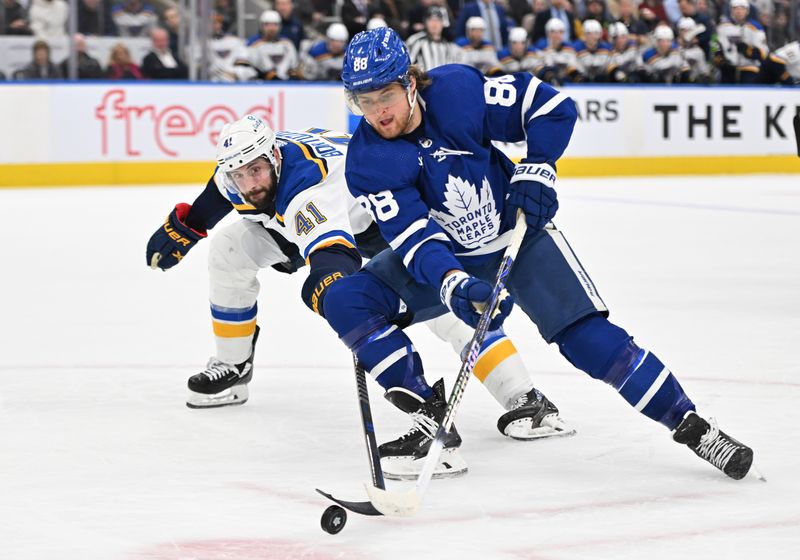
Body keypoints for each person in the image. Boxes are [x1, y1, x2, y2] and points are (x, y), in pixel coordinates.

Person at [321, 26, 754, 483]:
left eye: (385, 94)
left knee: (589, 341)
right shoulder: (368, 161)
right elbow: (415, 240)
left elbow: (550, 107)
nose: (377, 112)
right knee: (348, 300)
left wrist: (539, 166)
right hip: (449, 258)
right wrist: (452, 284)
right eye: (363, 101)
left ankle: (694, 427)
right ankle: (431, 424)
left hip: (518, 239)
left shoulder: (458, 92)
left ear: (410, 81)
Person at [145, 116, 573, 476]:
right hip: (315, 226)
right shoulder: (244, 171)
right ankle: (234, 367)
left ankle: (525, 399)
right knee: (228, 249)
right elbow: (220, 191)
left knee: (441, 308)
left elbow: (335, 259)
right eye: (240, 174)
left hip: (383, 220)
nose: (249, 182)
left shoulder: (306, 190)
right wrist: (189, 226)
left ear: (274, 158)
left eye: (255, 171)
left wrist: (329, 291)